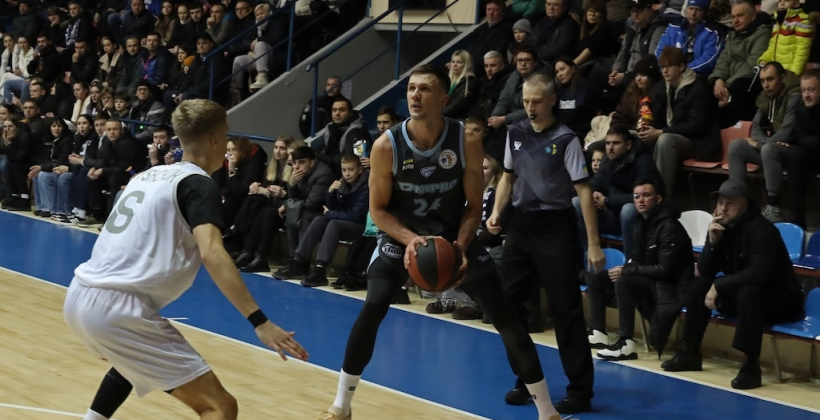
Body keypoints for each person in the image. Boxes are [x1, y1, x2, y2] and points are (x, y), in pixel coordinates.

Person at [317, 65, 563, 420]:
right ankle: (341, 406)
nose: (415, 95)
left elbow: (473, 208)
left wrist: (459, 247)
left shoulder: (466, 140)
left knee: (504, 315)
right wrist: (411, 240)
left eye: (425, 89)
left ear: (443, 99)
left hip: (452, 236)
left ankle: (547, 412)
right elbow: (378, 211)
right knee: (373, 306)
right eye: (411, 88)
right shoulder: (386, 145)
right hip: (401, 237)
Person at [64, 99, 308, 420]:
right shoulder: (199, 185)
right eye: (226, 135)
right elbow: (212, 252)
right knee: (220, 407)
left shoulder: (147, 176)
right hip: (118, 308)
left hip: (80, 295)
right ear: (216, 140)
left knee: (131, 365)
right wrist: (260, 322)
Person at [487, 73, 604, 414]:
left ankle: (580, 391)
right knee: (507, 305)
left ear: (552, 101)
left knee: (566, 311)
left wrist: (593, 244)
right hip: (521, 226)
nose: (530, 107)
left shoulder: (566, 139)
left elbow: (584, 192)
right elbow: (507, 178)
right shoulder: (515, 132)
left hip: (556, 229)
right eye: (525, 101)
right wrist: (496, 212)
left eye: (536, 101)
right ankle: (527, 379)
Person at [661, 179, 803, 390]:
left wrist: (719, 286)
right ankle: (689, 352)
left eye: (730, 203)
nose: (723, 209)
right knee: (699, 286)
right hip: (744, 296)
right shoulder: (723, 228)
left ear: (745, 204)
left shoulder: (763, 231)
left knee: (748, 293)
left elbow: (758, 275)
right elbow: (706, 271)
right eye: (720, 202)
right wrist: (712, 241)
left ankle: (751, 366)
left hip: (781, 300)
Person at [594, 178, 693, 361]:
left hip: (670, 286)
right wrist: (627, 268)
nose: (640, 200)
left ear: (659, 199)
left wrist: (627, 271)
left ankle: (626, 343)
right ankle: (598, 331)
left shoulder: (670, 227)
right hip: (651, 279)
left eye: (646, 195)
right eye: (636, 196)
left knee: (624, 281)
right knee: (599, 277)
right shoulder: (640, 222)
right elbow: (639, 260)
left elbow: (666, 270)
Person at [639, 47, 720, 196]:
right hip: (671, 135)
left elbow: (697, 126)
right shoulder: (662, 87)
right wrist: (646, 126)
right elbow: (656, 116)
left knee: (665, 140)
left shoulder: (698, 89)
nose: (664, 71)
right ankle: (637, 193)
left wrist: (661, 132)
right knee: (631, 136)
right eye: (662, 67)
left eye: (669, 66)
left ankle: (661, 197)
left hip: (698, 143)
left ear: (681, 67)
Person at [573, 125, 662, 262]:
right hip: (612, 215)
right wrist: (594, 196)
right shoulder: (607, 160)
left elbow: (643, 197)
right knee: (577, 202)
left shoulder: (643, 161)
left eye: (616, 143)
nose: (610, 147)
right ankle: (587, 259)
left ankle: (630, 264)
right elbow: (595, 184)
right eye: (608, 143)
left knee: (628, 209)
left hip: (640, 220)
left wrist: (607, 201)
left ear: (628, 145)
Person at [726, 62, 801, 222]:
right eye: (762, 80)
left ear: (782, 78)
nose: (766, 85)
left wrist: (761, 144)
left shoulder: (795, 96)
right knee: (736, 146)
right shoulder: (766, 97)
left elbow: (787, 132)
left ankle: (774, 207)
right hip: (773, 151)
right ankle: (738, 201)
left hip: (793, 152)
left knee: (768, 149)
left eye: (770, 79)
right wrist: (765, 142)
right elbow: (755, 128)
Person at [708, 0, 772, 127]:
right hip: (730, 83)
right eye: (733, 17)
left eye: (740, 16)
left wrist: (726, 86)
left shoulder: (763, 32)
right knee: (703, 88)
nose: (735, 21)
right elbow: (723, 60)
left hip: (748, 83)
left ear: (752, 16)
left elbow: (752, 65)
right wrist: (718, 80)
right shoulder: (733, 34)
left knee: (739, 86)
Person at [782, 70, 820, 228]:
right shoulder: (800, 108)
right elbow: (798, 137)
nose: (806, 95)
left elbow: (803, 139)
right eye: (803, 90)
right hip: (809, 156)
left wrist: (806, 141)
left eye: (811, 90)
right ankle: (796, 217)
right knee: (794, 155)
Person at [654, 0, 724, 76]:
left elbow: (708, 60)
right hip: (670, 74)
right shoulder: (673, 27)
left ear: (705, 12)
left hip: (697, 76)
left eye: (698, 10)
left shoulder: (712, 32)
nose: (693, 13)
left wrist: (683, 70)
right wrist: (667, 68)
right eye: (691, 8)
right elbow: (660, 53)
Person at [758, 0, 813, 75]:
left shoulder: (802, 21)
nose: (782, 4)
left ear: (796, 3)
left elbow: (802, 52)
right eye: (780, 1)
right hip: (777, 72)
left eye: (787, 0)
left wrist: (794, 73)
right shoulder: (777, 20)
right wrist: (764, 59)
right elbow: (772, 47)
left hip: (790, 72)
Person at [442, 50, 479, 120]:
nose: (455, 65)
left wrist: (438, 114)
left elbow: (458, 105)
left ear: (466, 64)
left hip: (459, 119)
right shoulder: (450, 81)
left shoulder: (470, 82)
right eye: (453, 62)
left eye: (459, 62)